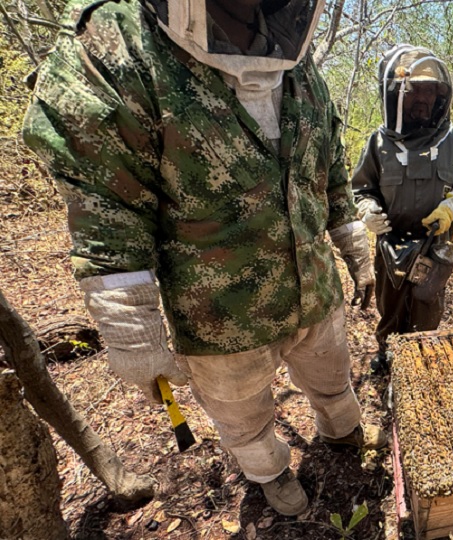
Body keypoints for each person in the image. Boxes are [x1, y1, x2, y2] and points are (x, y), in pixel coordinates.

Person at [22, 0, 387, 517]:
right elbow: (108, 200)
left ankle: (343, 431)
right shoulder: (120, 45)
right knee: (243, 416)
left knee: (333, 378)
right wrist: (132, 330)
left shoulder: (298, 62)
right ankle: (271, 473)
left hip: (316, 287)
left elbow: (327, 167)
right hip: (219, 314)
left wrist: (353, 249)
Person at [351, 44, 453, 373]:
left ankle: (419, 364)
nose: (423, 98)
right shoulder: (377, 143)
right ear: (395, 95)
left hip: (434, 248)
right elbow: (361, 189)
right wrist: (368, 211)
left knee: (427, 310)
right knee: (389, 310)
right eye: (414, 91)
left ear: (441, 97)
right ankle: (387, 355)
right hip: (390, 245)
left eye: (429, 91)